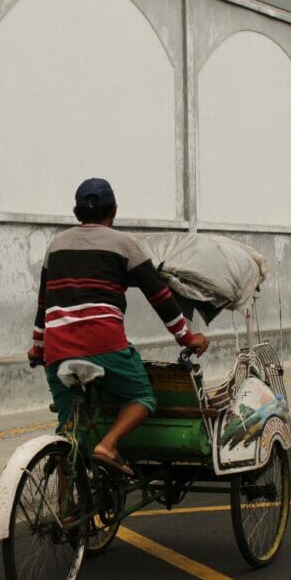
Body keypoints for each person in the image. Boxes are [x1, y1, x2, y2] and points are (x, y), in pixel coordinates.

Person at [27, 178, 209, 476]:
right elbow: (160, 297)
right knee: (143, 398)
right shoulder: (125, 244)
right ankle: (108, 445)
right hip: (104, 347)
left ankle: (67, 509)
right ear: (113, 211)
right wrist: (187, 338)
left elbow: (44, 304)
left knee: (69, 434)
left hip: (57, 350)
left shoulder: (55, 246)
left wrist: (37, 349)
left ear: (76, 214)